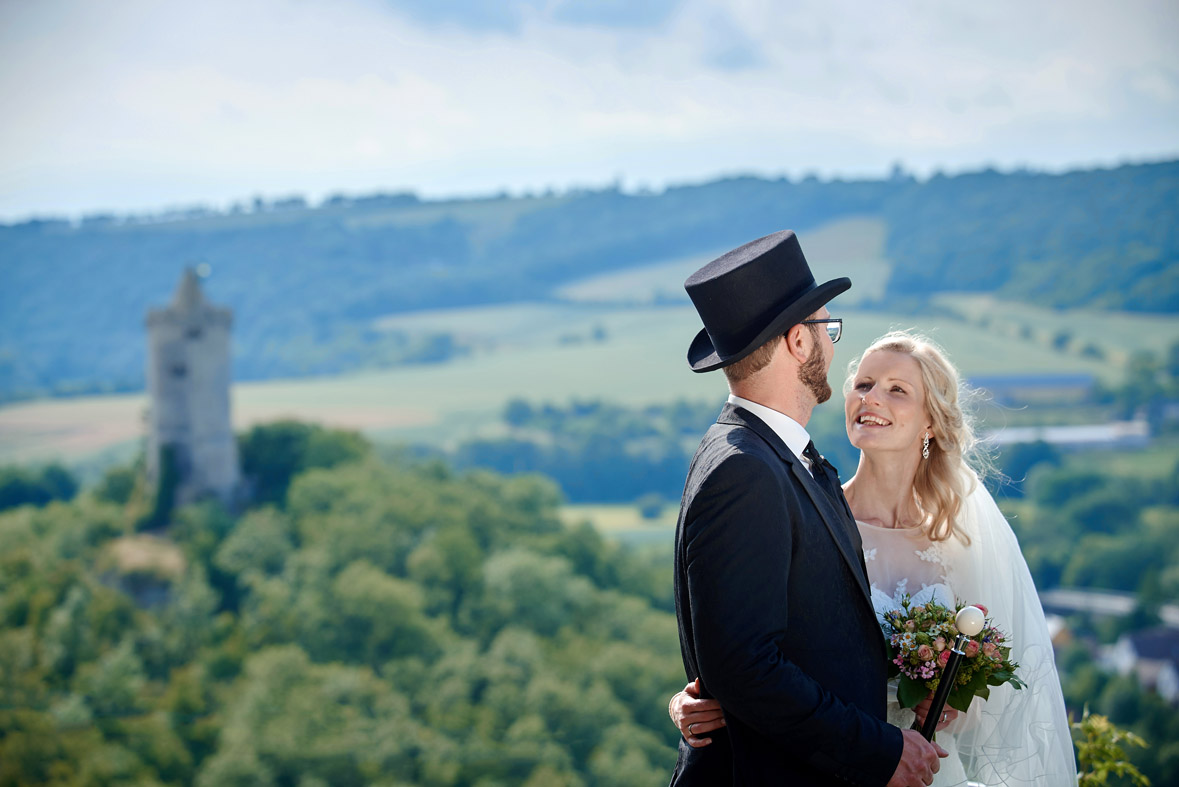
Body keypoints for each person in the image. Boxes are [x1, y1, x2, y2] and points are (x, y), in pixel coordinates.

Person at [670, 330, 1078, 786]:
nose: (871, 398)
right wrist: (701, 698)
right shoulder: (808, 513)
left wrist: (950, 707)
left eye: (896, 390)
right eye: (863, 384)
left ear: (931, 421)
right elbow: (747, 644)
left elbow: (989, 701)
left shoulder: (959, 542)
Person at [671, 230, 947, 787]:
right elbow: (745, 667)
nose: (833, 345)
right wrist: (879, 750)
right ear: (799, 341)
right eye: (828, 327)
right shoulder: (745, 470)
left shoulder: (771, 455)